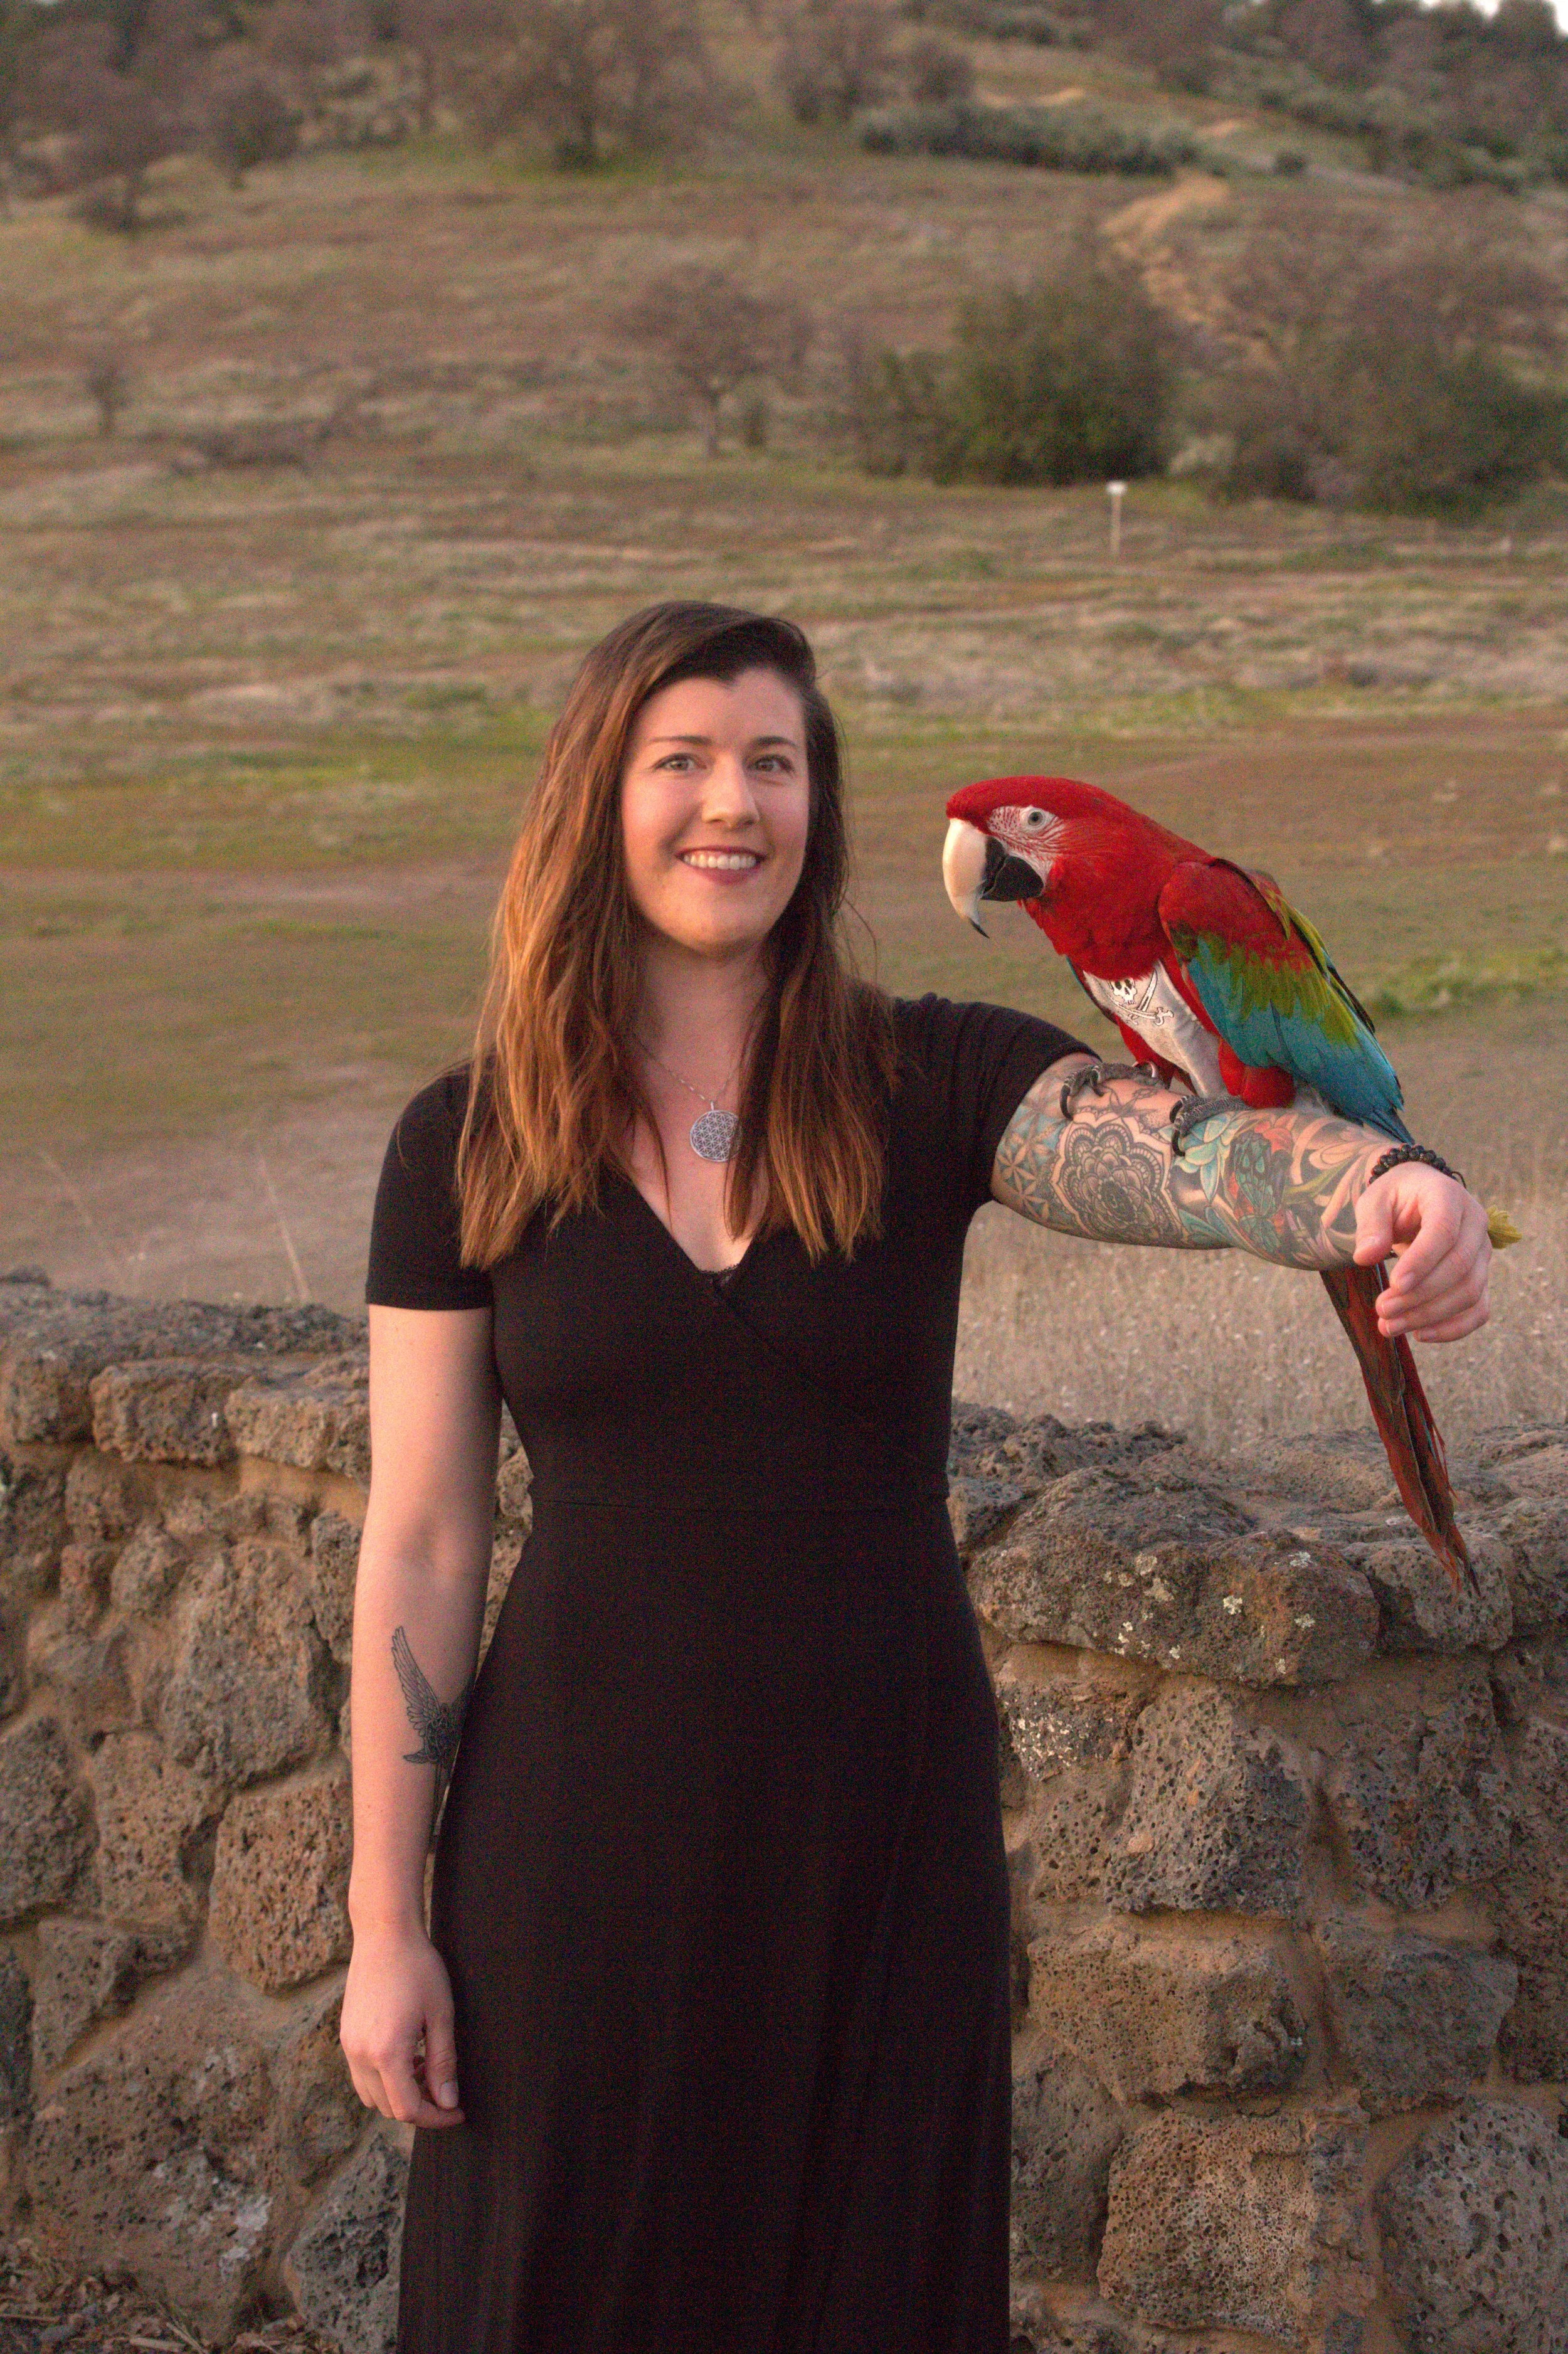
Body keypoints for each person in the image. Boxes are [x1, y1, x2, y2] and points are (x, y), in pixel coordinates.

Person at [339, 601, 1491, 2354]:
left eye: (774, 765)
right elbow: (420, 1542)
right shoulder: (466, 1138)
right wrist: (382, 1925)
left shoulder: (929, 1072)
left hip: (881, 1840)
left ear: (817, 813)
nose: (731, 803)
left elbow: (1172, 1158)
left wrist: (1386, 1189)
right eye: (682, 761)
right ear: (597, 800)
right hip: (571, 1856)